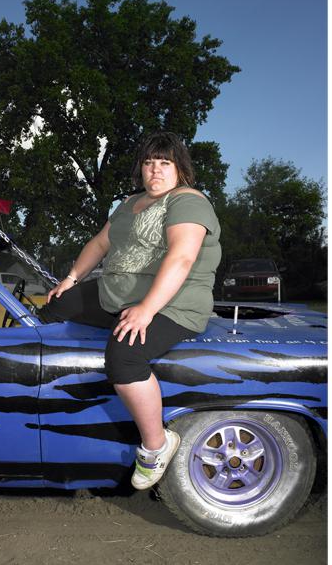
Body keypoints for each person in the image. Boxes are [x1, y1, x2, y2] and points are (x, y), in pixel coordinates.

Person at [40, 131, 221, 490]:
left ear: (180, 168)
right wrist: (72, 278)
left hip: (172, 305)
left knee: (123, 357)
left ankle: (157, 445)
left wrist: (146, 310)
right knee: (54, 306)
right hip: (116, 296)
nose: (155, 171)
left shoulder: (188, 201)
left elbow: (182, 256)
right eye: (149, 163)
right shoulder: (130, 203)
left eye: (164, 163)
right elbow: (100, 242)